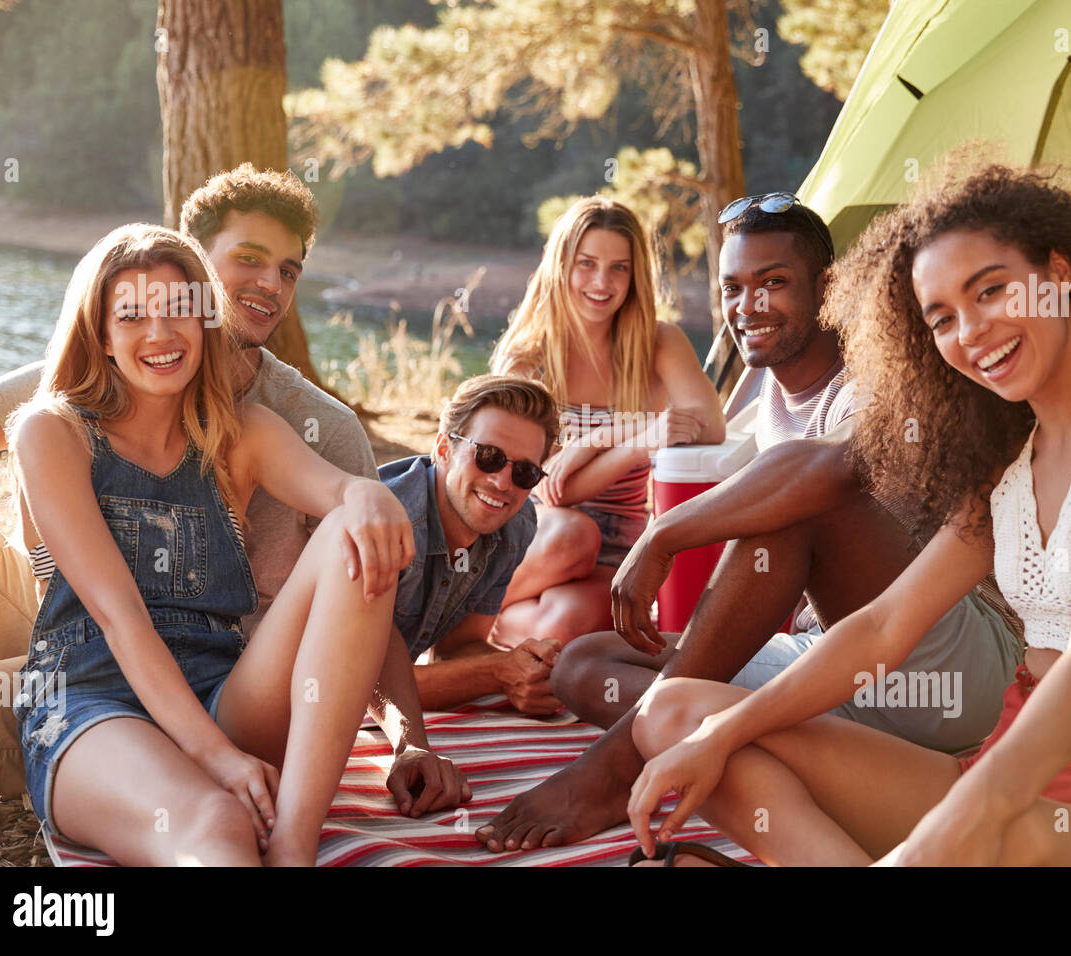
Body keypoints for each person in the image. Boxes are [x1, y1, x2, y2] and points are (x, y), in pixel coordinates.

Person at [627, 164, 1071, 867]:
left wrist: (937, 842)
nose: (972, 332)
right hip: (999, 783)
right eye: (942, 318)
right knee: (672, 717)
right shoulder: (1009, 457)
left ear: (1061, 274)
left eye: (991, 290)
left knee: (1025, 837)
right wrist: (722, 734)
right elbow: (884, 628)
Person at [476, 193, 1023, 853]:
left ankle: (613, 771)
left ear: (828, 289)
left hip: (940, 664)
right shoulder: (761, 386)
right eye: (733, 287)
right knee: (587, 663)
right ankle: (761, 758)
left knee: (797, 503)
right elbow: (714, 462)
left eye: (773, 284)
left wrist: (662, 535)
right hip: (828, 663)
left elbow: (830, 472)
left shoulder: (876, 375)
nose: (748, 307)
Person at [0, 163, 377, 800]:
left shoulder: (306, 425)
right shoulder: (104, 355)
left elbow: (366, 601)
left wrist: (411, 738)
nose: (269, 282)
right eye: (248, 258)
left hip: (222, 670)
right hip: (63, 621)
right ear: (197, 265)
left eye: (288, 270)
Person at [12, 223, 413, 866]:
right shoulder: (52, 432)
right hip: (95, 698)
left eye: (178, 310)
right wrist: (220, 760)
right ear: (103, 337)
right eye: (132, 315)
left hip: (222, 689)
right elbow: (119, 618)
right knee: (214, 823)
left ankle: (292, 845)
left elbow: (342, 494)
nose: (160, 334)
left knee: (350, 530)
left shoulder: (242, 433)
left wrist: (365, 495)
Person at [487, 197, 724, 650]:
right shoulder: (528, 360)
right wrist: (632, 440)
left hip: (616, 551)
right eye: (587, 264)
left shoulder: (660, 343)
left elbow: (709, 425)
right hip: (537, 541)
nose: (602, 282)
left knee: (564, 631)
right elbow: (548, 486)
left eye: (619, 267)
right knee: (574, 534)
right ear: (561, 266)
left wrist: (600, 440)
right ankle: (467, 613)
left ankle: (486, 626)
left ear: (636, 275)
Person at [367, 375, 564, 815]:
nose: (502, 482)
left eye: (525, 471)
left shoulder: (516, 526)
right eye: (488, 456)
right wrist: (497, 672)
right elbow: (360, 681)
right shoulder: (389, 522)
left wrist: (525, 665)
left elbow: (457, 648)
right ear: (442, 448)